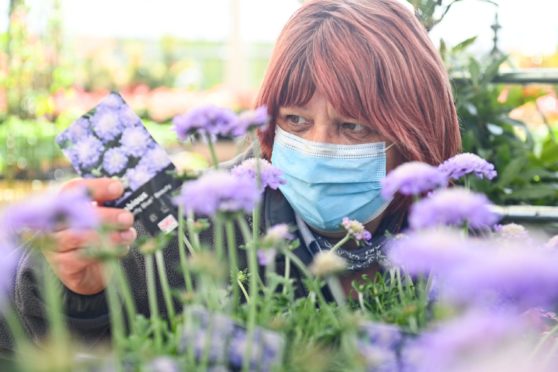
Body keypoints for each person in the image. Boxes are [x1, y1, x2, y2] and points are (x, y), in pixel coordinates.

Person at [3, 0, 460, 348]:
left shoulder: (455, 245)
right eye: (296, 120)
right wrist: (66, 283)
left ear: (415, 130)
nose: (319, 147)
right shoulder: (202, 225)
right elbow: (38, 328)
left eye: (353, 126)